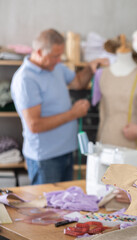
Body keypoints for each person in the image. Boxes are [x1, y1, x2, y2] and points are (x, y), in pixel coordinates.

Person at [11, 29, 108, 185]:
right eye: (55, 56)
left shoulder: (55, 67)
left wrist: (90, 68)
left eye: (60, 56)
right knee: (47, 207)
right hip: (45, 158)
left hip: (66, 152)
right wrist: (73, 113)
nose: (59, 61)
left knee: (65, 207)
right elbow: (34, 125)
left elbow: (77, 82)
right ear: (39, 52)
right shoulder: (25, 79)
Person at [92, 39, 137, 169]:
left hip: (133, 139)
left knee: (135, 183)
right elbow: (96, 102)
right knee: (106, 184)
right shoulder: (101, 74)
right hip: (107, 139)